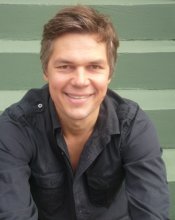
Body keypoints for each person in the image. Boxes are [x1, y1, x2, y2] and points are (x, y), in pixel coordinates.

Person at [0, 5, 170, 220]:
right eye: (65, 66)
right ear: (46, 71)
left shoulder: (132, 125)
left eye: (94, 67)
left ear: (109, 73)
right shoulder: (16, 127)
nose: (80, 81)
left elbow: (152, 213)